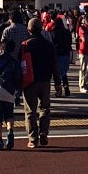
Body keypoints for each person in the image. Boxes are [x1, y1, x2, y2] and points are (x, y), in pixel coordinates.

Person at [21, 18, 62, 149]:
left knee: (30, 111)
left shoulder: (25, 45)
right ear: (41, 29)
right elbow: (54, 64)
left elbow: (20, 64)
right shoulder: (48, 45)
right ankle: (44, 131)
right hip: (45, 80)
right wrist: (57, 82)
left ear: (29, 30)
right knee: (45, 108)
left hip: (30, 81)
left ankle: (33, 138)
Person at [50, 14, 72, 97]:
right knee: (63, 72)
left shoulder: (53, 32)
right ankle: (66, 88)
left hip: (56, 54)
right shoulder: (67, 32)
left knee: (56, 73)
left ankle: (58, 90)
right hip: (66, 53)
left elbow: (51, 43)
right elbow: (70, 42)